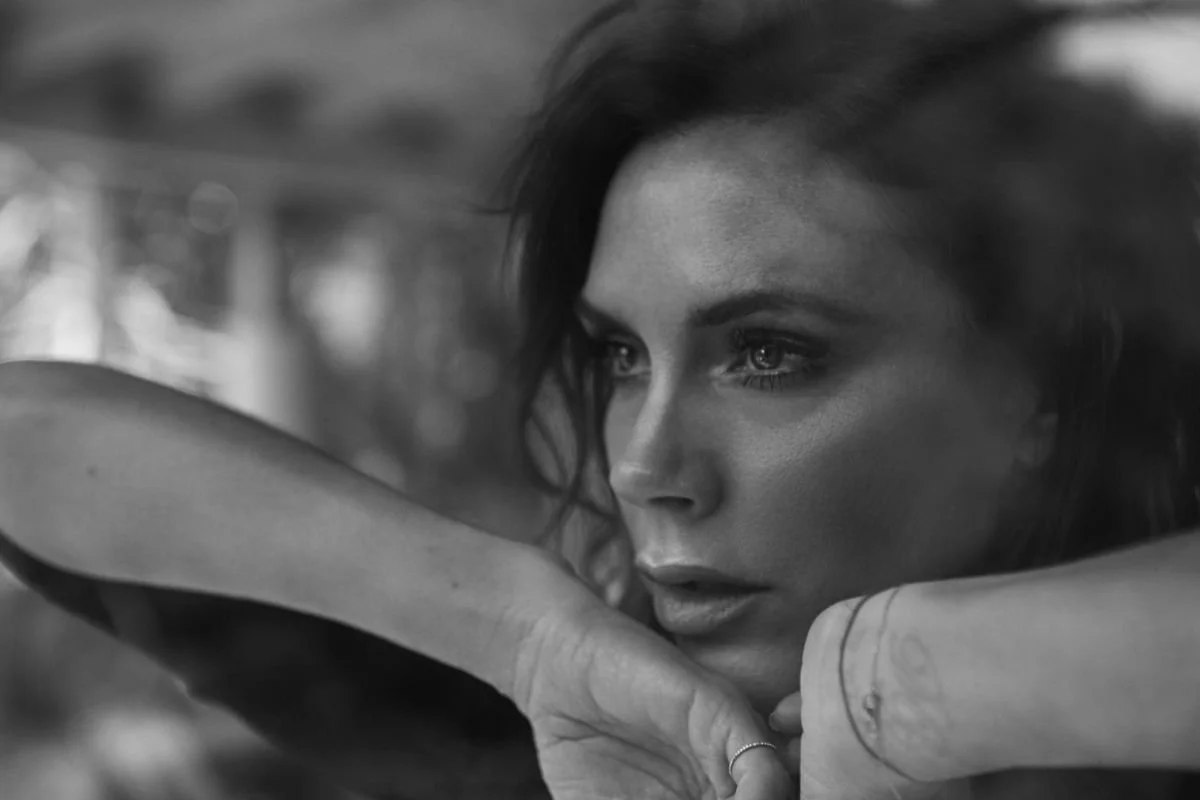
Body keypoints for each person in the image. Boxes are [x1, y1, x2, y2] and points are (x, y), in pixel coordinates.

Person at [2, 0, 1200, 799]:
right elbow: (25, 437)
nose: (643, 461)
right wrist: (513, 632)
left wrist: (904, 687)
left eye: (770, 353)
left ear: (1038, 394)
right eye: (621, 354)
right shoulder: (587, 732)